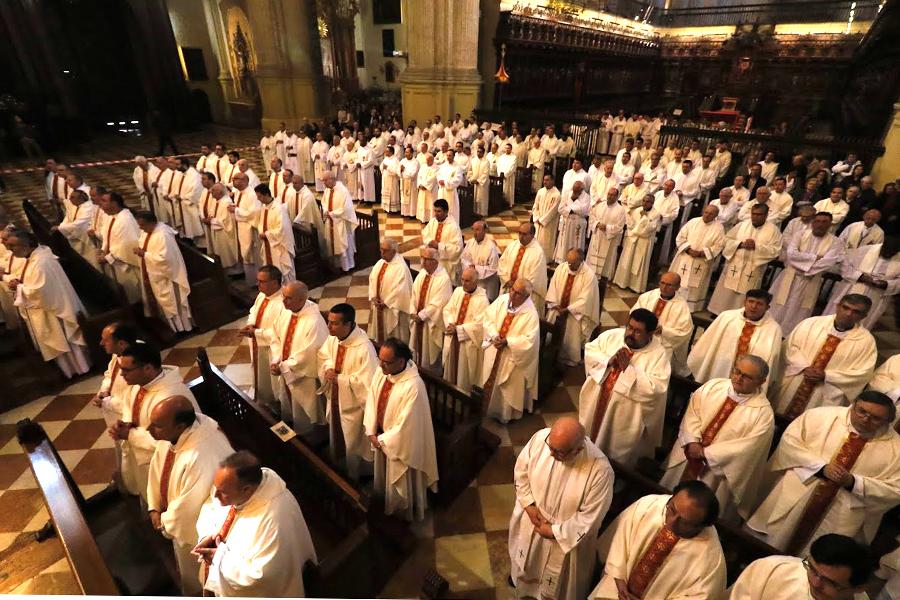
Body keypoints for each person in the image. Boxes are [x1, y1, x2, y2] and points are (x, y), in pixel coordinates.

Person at [747, 392, 900, 556]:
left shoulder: (896, 449)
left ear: (888, 421)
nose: (865, 419)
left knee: (820, 558)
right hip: (800, 491)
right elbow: (791, 442)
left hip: (843, 511)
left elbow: (896, 490)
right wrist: (821, 467)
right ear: (854, 404)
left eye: (875, 418)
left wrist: (853, 482)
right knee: (772, 541)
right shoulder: (821, 416)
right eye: (861, 411)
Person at [509, 418, 614, 600]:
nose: (550, 454)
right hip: (533, 519)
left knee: (557, 585)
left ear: (578, 449)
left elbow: (591, 517)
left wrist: (553, 531)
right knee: (525, 563)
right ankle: (523, 586)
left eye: (559, 452)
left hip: (564, 537)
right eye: (551, 447)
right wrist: (529, 505)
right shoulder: (541, 438)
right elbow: (521, 471)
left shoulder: (600, 471)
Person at [661, 355, 775, 521]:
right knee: (666, 498)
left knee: (696, 513)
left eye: (746, 376)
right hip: (688, 454)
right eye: (737, 371)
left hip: (715, 473)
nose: (738, 378)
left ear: (761, 381)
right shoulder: (714, 386)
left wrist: (706, 453)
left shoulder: (763, 414)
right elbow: (693, 411)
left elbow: (747, 448)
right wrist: (692, 441)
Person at [193, 451, 316, 597]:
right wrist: (208, 535)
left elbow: (262, 577)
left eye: (222, 492)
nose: (215, 495)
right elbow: (211, 507)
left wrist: (218, 558)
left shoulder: (274, 519)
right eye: (216, 488)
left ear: (246, 490)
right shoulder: (235, 488)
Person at [147, 396, 234, 596]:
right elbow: (157, 467)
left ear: (179, 427)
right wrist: (154, 506)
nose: (149, 429)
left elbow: (190, 507)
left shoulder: (201, 454)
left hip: (195, 528)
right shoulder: (176, 435)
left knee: (194, 571)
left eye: (157, 425)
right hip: (170, 514)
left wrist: (163, 521)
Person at [590, 481, 727, 599]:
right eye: (672, 509)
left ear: (702, 526)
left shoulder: (711, 561)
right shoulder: (649, 505)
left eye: (684, 522)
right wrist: (619, 579)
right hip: (614, 589)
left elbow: (700, 596)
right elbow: (620, 542)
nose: (671, 522)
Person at [579, 308, 671, 466]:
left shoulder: (659, 355)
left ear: (650, 334)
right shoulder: (612, 336)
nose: (630, 333)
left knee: (613, 452)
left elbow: (656, 389)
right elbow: (590, 350)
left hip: (623, 416)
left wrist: (628, 370)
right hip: (595, 402)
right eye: (629, 327)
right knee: (586, 439)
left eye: (637, 331)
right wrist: (608, 360)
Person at [364, 338, 439, 521]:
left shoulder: (413, 386)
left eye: (386, 362)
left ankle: (404, 512)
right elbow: (372, 399)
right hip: (381, 436)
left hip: (400, 445)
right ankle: (387, 504)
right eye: (379, 359)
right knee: (384, 479)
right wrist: (372, 429)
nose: (380, 365)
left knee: (401, 483)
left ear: (401, 361)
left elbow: (407, 426)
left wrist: (381, 440)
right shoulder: (383, 372)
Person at [111, 343, 198, 500]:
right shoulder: (138, 385)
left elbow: (173, 440)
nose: (122, 375)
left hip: (164, 462)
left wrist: (130, 434)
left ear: (148, 368)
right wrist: (125, 424)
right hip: (142, 458)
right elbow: (128, 407)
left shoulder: (171, 398)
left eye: (126, 370)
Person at [772, 294, 877, 419]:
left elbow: (862, 373)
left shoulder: (866, 342)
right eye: (845, 308)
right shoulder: (811, 323)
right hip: (795, 381)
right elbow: (790, 346)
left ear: (863, 316)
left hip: (824, 393)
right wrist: (804, 367)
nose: (848, 314)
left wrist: (827, 376)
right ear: (838, 307)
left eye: (856, 312)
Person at [6, 229, 91, 377]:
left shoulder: (41, 261)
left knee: (63, 340)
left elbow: (38, 291)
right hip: (49, 308)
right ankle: (73, 370)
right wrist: (19, 282)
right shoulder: (36, 256)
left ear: (25, 244)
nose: (10, 249)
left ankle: (80, 369)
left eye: (13, 246)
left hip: (53, 310)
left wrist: (18, 287)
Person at [317, 303, 378, 478]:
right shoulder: (334, 338)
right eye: (328, 321)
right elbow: (325, 355)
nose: (328, 327)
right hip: (336, 399)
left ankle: (354, 477)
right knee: (338, 435)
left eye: (334, 323)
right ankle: (338, 467)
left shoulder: (364, 348)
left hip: (354, 408)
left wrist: (341, 379)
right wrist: (329, 367)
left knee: (353, 442)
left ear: (349, 324)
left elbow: (367, 385)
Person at [728, 533, 874, 600]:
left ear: (859, 587)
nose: (816, 583)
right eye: (812, 569)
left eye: (830, 582)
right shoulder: (774, 568)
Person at [688, 289, 783, 390]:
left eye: (759, 304)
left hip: (746, 382)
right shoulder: (727, 317)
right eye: (751, 301)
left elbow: (771, 360)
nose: (753, 306)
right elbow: (707, 343)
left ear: (767, 307)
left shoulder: (773, 329)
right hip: (718, 370)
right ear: (744, 302)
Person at [768, 212, 845, 334]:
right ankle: (770, 329)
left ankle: (790, 334)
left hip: (811, 280)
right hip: (790, 276)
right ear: (812, 222)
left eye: (825, 222)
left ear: (830, 225)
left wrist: (803, 264)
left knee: (799, 309)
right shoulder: (800, 234)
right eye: (818, 221)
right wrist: (816, 257)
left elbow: (828, 262)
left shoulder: (836, 242)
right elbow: (791, 254)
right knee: (779, 304)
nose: (820, 225)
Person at [267, 281, 328, 431]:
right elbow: (276, 337)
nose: (283, 301)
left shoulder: (314, 321)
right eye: (283, 296)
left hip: (303, 377)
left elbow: (309, 354)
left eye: (288, 298)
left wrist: (284, 367)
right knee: (288, 406)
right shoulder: (286, 312)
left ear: (301, 300)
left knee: (303, 415)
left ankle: (307, 440)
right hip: (286, 369)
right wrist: (276, 360)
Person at [481, 278, 540, 423]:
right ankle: (486, 408)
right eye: (512, 289)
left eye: (518, 293)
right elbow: (488, 317)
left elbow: (529, 341)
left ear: (526, 296)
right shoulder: (502, 300)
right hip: (495, 348)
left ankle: (504, 414)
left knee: (506, 387)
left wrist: (508, 342)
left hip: (512, 357)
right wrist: (495, 335)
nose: (512, 294)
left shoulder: (531, 315)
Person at [707, 204, 783, 315]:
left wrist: (756, 246)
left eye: (759, 214)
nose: (755, 217)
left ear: (766, 215)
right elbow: (726, 240)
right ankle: (719, 312)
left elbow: (776, 250)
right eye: (753, 214)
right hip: (735, 264)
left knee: (745, 292)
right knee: (726, 291)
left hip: (753, 268)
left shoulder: (773, 231)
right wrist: (740, 244)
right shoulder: (742, 225)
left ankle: (740, 315)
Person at [91, 322, 139, 474]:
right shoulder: (118, 354)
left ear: (122, 343)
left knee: (133, 461)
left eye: (106, 340)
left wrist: (106, 402)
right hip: (114, 413)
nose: (101, 343)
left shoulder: (136, 361)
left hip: (129, 419)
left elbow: (135, 400)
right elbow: (109, 374)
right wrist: (103, 391)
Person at [134, 211, 193, 333]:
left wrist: (144, 254)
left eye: (142, 225)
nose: (140, 228)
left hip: (169, 277)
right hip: (155, 274)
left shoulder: (163, 234)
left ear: (151, 223)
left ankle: (185, 328)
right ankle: (176, 329)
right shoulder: (148, 232)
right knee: (168, 306)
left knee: (175, 304)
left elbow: (165, 259)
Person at [824, 239, 900, 330]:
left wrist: (886, 284)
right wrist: (861, 277)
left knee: (862, 324)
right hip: (853, 288)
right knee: (835, 319)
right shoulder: (865, 250)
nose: (889, 253)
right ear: (884, 243)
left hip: (877, 295)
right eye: (888, 249)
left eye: (894, 251)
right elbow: (845, 265)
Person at [546, 248, 601, 366]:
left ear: (581, 261)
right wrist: (555, 304)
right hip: (557, 309)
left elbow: (586, 299)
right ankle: (551, 352)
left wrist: (568, 309)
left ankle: (570, 357)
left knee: (572, 333)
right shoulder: (562, 268)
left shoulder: (589, 276)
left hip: (575, 314)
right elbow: (553, 286)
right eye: (568, 261)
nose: (569, 265)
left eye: (572, 263)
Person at [240, 266, 284, 408]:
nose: (257, 284)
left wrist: (256, 333)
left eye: (262, 281)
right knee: (259, 372)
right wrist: (251, 324)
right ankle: (264, 399)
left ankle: (275, 403)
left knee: (271, 379)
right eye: (258, 281)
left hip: (271, 349)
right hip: (257, 344)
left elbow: (279, 331)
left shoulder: (283, 303)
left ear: (275, 283)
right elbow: (253, 310)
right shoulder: (262, 295)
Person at [634, 272, 693, 375]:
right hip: (641, 336)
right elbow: (634, 314)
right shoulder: (648, 296)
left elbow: (684, 332)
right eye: (662, 283)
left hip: (664, 343)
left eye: (669, 285)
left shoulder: (681, 306)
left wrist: (664, 331)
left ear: (677, 287)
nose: (664, 287)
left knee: (660, 363)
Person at [669, 204, 726, 311]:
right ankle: (673, 301)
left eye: (711, 214)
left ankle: (690, 307)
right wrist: (688, 249)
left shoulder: (719, 228)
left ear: (716, 215)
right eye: (706, 212)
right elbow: (681, 237)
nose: (707, 215)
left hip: (701, 262)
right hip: (685, 257)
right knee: (679, 280)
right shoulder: (693, 221)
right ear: (703, 211)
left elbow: (719, 245)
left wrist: (701, 253)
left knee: (694, 285)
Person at [442, 266, 490, 390]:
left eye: (467, 281)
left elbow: (480, 325)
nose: (463, 283)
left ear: (476, 281)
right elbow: (448, 309)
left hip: (467, 344)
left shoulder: (482, 300)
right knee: (451, 370)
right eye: (462, 279)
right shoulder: (458, 291)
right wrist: (450, 323)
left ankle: (461, 400)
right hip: (453, 338)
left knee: (463, 375)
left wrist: (459, 329)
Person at [408, 247, 453, 371]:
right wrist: (413, 311)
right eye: (423, 258)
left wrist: (421, 315)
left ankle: (431, 375)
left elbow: (439, 303)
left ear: (435, 261)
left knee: (429, 353)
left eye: (427, 259)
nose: (423, 262)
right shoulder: (422, 273)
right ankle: (417, 369)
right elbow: (414, 293)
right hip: (418, 319)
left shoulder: (443, 279)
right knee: (418, 349)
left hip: (429, 322)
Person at [95, 191, 142, 302]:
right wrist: (103, 250)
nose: (100, 203)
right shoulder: (112, 217)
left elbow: (126, 246)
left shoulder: (125, 220)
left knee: (135, 294)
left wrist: (106, 257)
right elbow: (107, 236)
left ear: (114, 203)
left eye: (104, 201)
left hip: (127, 264)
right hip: (114, 259)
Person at [612, 194, 660, 293]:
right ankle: (622, 282)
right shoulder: (637, 210)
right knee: (627, 259)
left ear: (652, 203)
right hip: (632, 239)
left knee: (639, 263)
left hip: (644, 241)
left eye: (647, 202)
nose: (645, 203)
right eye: (644, 201)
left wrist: (644, 219)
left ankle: (635, 286)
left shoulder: (656, 214)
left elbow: (650, 229)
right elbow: (629, 223)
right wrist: (633, 230)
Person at [368, 239, 414, 343]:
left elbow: (400, 290)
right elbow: (372, 279)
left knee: (395, 337)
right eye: (381, 250)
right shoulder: (380, 263)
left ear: (394, 251)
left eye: (385, 250)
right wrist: (374, 296)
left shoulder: (401, 267)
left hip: (392, 308)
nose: (382, 253)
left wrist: (386, 302)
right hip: (379, 306)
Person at [499, 223, 548, 313]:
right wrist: (506, 280)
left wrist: (516, 286)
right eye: (520, 233)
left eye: (524, 234)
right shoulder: (512, 245)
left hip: (524, 295)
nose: (521, 237)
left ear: (532, 235)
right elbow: (502, 263)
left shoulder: (538, 253)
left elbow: (535, 278)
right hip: (508, 288)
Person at [254, 184, 296, 283]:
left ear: (266, 194)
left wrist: (267, 234)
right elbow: (261, 224)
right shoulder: (264, 208)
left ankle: (290, 291)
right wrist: (262, 232)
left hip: (279, 246)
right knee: (271, 271)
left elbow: (282, 229)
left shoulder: (278, 208)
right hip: (269, 244)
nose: (258, 199)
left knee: (283, 271)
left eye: (259, 196)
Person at [321, 170, 358, 272]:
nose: (323, 183)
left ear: (332, 179)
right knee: (332, 245)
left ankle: (347, 266)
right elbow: (324, 202)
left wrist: (332, 214)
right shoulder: (327, 190)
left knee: (342, 245)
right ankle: (336, 265)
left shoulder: (343, 191)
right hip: (330, 221)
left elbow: (346, 209)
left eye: (325, 180)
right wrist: (326, 211)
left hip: (341, 222)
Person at [228, 173, 262, 284]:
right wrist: (235, 208)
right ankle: (251, 281)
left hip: (250, 229)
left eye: (236, 179)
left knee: (253, 255)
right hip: (242, 227)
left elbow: (253, 213)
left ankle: (258, 281)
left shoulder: (252, 194)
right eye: (233, 179)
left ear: (244, 181)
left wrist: (236, 211)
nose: (233, 181)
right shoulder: (238, 193)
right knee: (246, 255)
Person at [53, 189, 98, 268]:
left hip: (85, 237)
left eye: (72, 197)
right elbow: (68, 217)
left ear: (80, 199)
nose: (70, 199)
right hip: (75, 235)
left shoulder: (88, 208)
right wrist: (61, 226)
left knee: (91, 257)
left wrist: (60, 228)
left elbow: (78, 224)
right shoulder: (75, 206)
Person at [422, 199, 464, 284]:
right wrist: (429, 241)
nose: (436, 214)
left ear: (446, 212)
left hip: (446, 263)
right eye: (435, 211)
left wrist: (439, 246)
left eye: (439, 211)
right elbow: (425, 234)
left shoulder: (453, 227)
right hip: (432, 259)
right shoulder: (433, 221)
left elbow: (457, 249)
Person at [202, 182, 240, 271]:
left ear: (220, 192)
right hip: (217, 231)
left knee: (227, 253)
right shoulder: (217, 201)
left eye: (214, 190)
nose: (211, 191)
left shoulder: (226, 202)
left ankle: (235, 272)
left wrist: (211, 220)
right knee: (220, 252)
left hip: (224, 232)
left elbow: (227, 221)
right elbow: (212, 213)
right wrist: (209, 218)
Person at [461, 221, 501, 302]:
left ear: (484, 231)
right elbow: (463, 259)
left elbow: (493, 268)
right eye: (474, 230)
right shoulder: (470, 242)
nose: (475, 233)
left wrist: (476, 269)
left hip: (486, 283)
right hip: (471, 281)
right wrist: (469, 267)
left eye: (478, 230)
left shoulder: (491, 247)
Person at [553, 181, 591, 264]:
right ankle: (562, 259)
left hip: (578, 223)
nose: (575, 192)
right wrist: (573, 208)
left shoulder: (587, 197)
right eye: (574, 190)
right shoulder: (568, 194)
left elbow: (584, 211)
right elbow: (560, 209)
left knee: (576, 242)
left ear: (582, 189)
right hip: (567, 222)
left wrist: (570, 206)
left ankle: (575, 260)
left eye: (577, 190)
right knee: (564, 242)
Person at [531, 174, 561, 259]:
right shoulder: (540, 191)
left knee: (546, 241)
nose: (545, 182)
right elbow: (535, 206)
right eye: (544, 180)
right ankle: (535, 256)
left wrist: (543, 220)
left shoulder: (557, 194)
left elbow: (553, 210)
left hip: (548, 223)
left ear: (552, 181)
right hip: (538, 221)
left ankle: (546, 258)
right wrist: (536, 218)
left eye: (547, 180)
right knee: (536, 239)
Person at [468, 144, 491, 215]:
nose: (478, 153)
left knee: (482, 199)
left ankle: (482, 213)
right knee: (475, 199)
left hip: (482, 184)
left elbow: (485, 173)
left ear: (483, 153)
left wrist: (478, 181)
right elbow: (470, 170)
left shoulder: (486, 162)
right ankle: (475, 213)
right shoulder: (473, 160)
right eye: (477, 152)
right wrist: (471, 179)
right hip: (474, 183)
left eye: (480, 152)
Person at [416, 153, 439, 223]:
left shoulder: (436, 168)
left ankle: (430, 219)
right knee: (422, 203)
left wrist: (425, 186)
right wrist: (419, 184)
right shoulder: (423, 166)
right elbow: (419, 176)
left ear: (432, 160)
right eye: (427, 160)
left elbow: (433, 178)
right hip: (422, 189)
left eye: (429, 160)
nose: (427, 162)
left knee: (430, 204)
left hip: (431, 190)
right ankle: (423, 218)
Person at [399, 146, 420, 218]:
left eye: (407, 152)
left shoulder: (415, 162)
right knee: (404, 198)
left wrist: (404, 170)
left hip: (412, 183)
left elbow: (413, 174)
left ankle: (412, 214)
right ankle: (404, 212)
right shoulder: (403, 161)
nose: (406, 153)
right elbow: (398, 171)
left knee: (412, 199)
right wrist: (400, 170)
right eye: (405, 152)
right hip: (404, 182)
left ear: (412, 153)